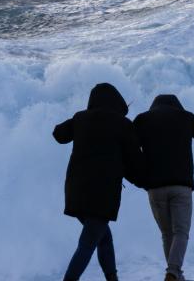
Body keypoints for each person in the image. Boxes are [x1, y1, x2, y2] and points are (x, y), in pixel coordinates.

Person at [53, 83, 145, 281]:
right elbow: (134, 163)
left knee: (103, 238)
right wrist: (147, 182)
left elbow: (59, 134)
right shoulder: (122, 124)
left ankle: (112, 278)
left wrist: (79, 122)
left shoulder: (80, 118)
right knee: (87, 243)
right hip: (102, 193)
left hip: (76, 191)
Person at [133, 94, 194, 281]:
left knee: (166, 233)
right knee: (181, 232)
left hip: (154, 187)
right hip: (181, 186)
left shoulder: (143, 119)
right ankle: (173, 272)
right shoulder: (185, 117)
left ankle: (176, 274)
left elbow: (129, 147)